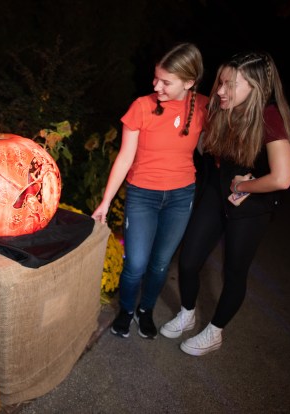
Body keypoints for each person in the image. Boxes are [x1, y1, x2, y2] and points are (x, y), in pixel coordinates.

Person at [159, 51, 290, 356]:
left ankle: (214, 332)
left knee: (234, 272)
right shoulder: (224, 108)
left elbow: (283, 178)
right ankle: (187, 311)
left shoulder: (268, 116)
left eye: (230, 85)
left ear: (257, 87)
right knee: (190, 259)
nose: (220, 91)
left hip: (251, 204)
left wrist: (243, 185)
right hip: (216, 191)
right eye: (221, 82)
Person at [92, 43, 208, 339]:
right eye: (155, 78)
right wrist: (106, 201)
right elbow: (124, 157)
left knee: (158, 266)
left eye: (166, 82)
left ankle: (146, 310)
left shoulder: (205, 107)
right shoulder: (142, 106)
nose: (156, 86)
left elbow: (211, 147)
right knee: (137, 265)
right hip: (143, 195)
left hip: (181, 197)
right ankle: (127, 309)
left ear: (189, 82)